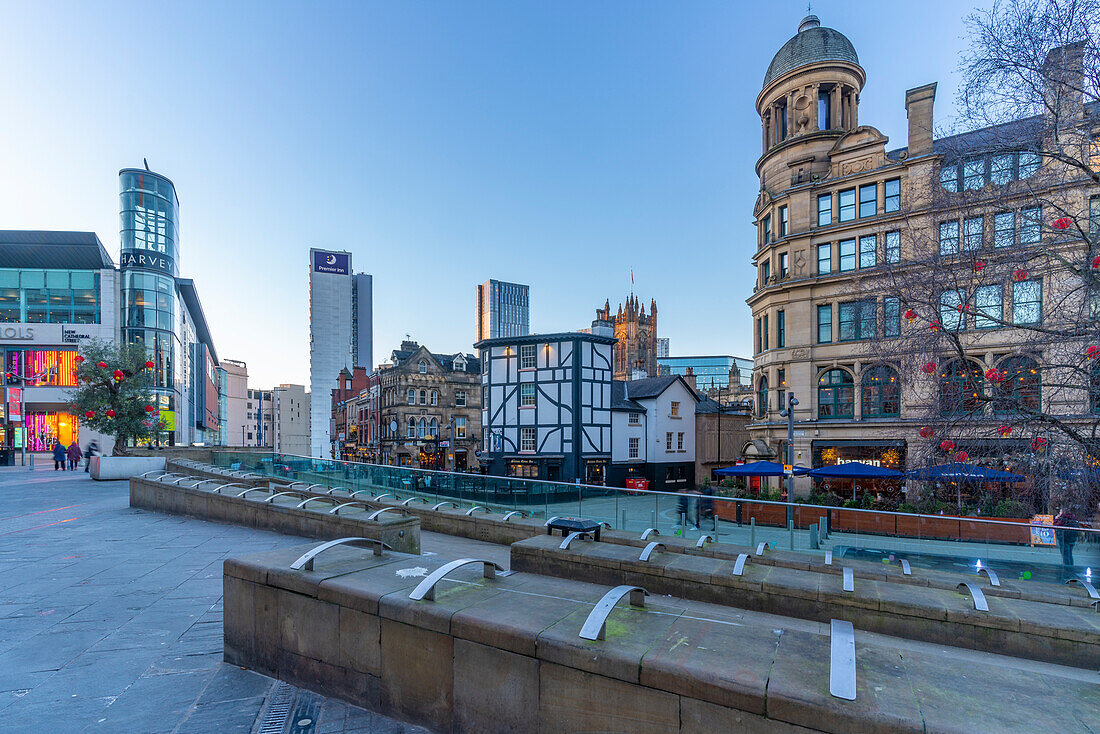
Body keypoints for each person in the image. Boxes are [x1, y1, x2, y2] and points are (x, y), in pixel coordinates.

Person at [1053, 507, 1080, 579]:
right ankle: (1070, 570)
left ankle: (1067, 572)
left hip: (1064, 539)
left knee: (1065, 556)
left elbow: (1056, 525)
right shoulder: (1073, 518)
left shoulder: (1063, 519)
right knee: (1069, 555)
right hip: (1072, 539)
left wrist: (1056, 518)